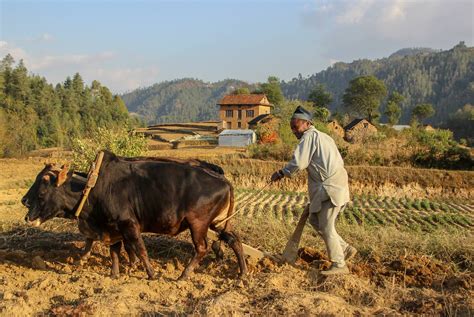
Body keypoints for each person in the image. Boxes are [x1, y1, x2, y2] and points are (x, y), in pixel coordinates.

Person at [271, 106, 357, 275]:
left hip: (330, 186)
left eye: (296, 127)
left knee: (326, 226)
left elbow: (299, 163)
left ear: (307, 124)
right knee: (315, 221)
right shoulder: (324, 137)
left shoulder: (309, 137)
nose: (294, 131)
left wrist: (282, 172)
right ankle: (345, 249)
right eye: (292, 128)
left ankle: (339, 264)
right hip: (333, 184)